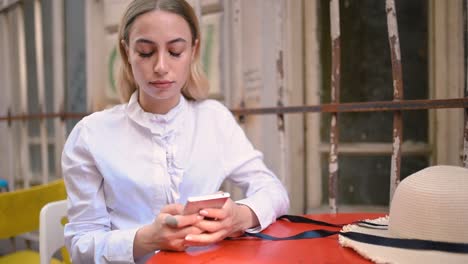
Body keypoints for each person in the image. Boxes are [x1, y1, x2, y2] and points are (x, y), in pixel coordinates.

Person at [62, 0, 289, 263]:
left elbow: (275, 191)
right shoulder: (91, 135)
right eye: (146, 52)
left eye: (175, 51)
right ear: (126, 53)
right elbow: (80, 245)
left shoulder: (213, 119)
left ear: (194, 49)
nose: (160, 66)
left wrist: (240, 216)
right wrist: (147, 239)